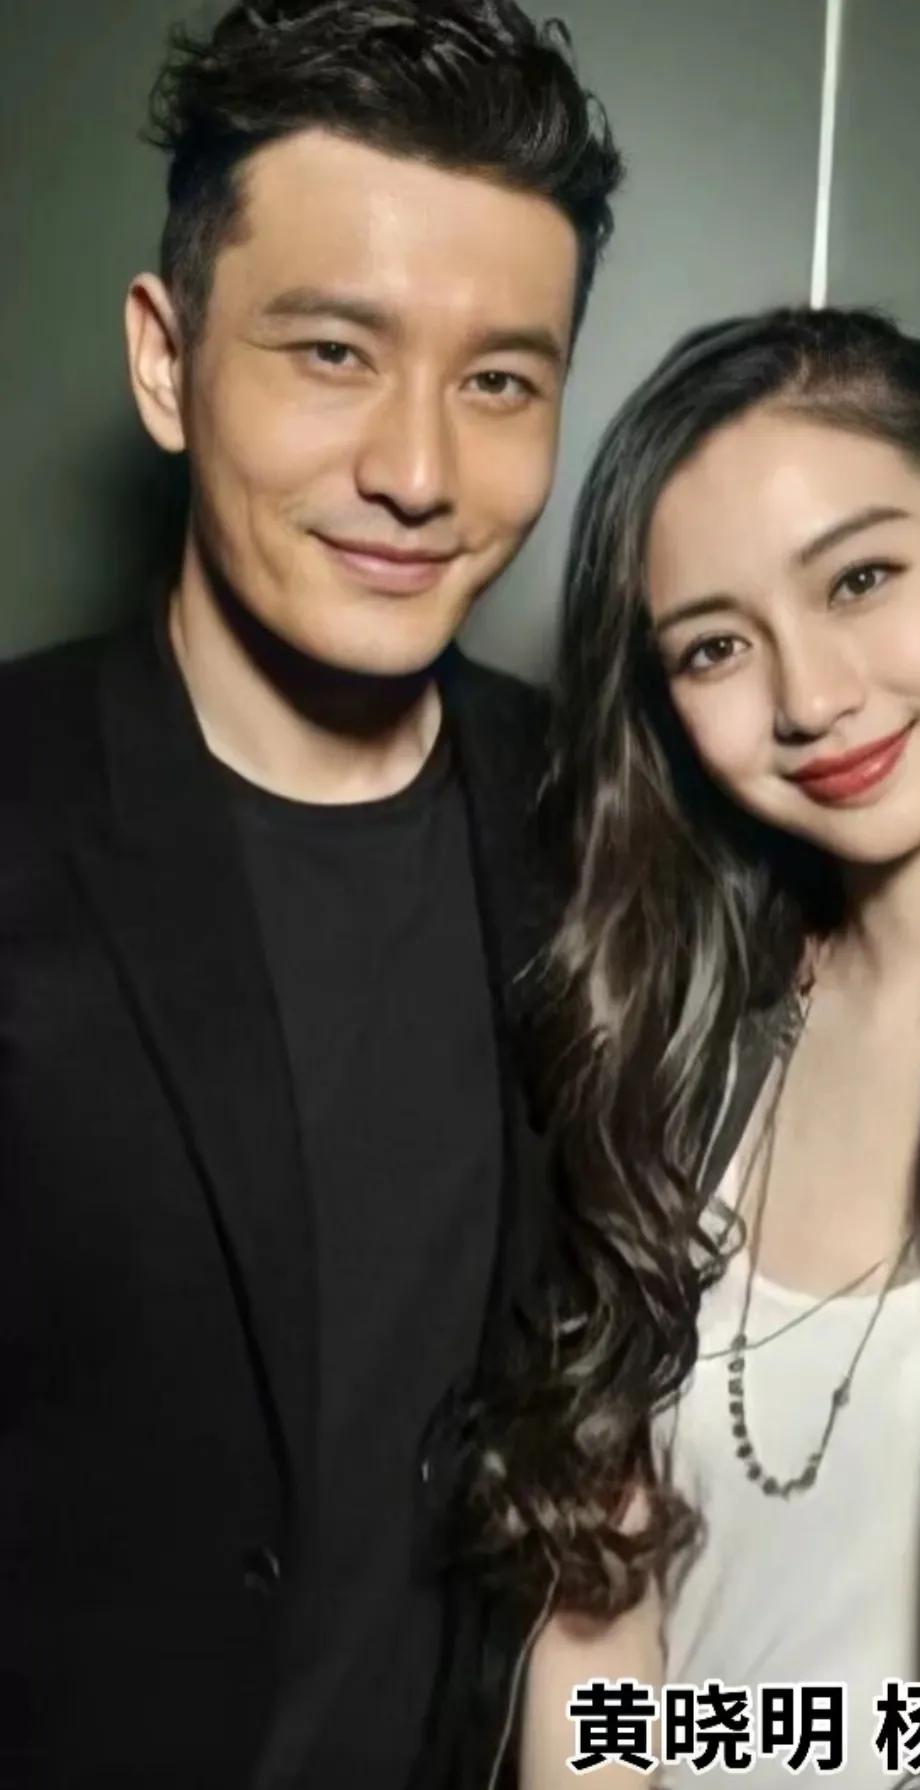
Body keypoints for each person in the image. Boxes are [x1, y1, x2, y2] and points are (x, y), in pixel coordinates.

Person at [0, 3, 623, 1786]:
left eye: (499, 382)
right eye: (335, 352)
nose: (418, 473)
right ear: (164, 357)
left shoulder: (598, 825)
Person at [461, 307, 920, 1786]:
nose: (810, 698)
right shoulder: (677, 1041)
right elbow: (600, 1625)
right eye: (718, 646)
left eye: (861, 577)